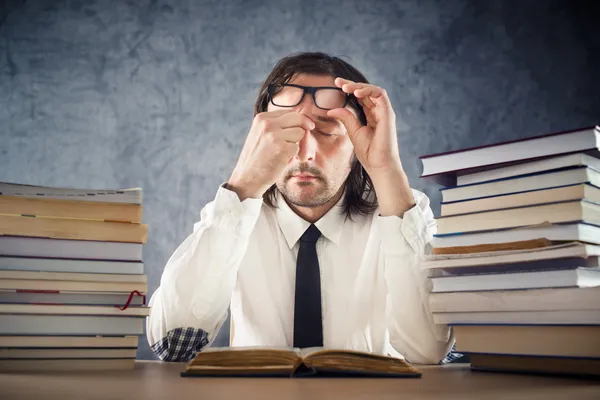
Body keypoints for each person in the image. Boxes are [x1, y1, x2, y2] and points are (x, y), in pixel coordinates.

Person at [146, 52, 454, 364]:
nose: (304, 153)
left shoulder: (400, 211)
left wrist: (386, 169)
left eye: (327, 131)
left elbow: (428, 351)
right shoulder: (233, 216)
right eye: (287, 130)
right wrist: (242, 185)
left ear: (358, 144)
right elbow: (174, 345)